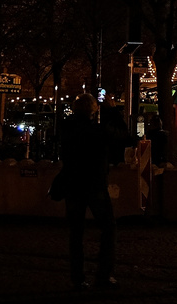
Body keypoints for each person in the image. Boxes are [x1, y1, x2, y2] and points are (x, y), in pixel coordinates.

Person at [59, 92, 125, 291]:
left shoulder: (67, 129)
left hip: (73, 184)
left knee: (76, 232)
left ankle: (77, 277)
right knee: (108, 227)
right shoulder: (97, 131)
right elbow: (123, 136)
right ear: (93, 110)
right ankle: (104, 275)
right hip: (94, 184)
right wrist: (112, 111)